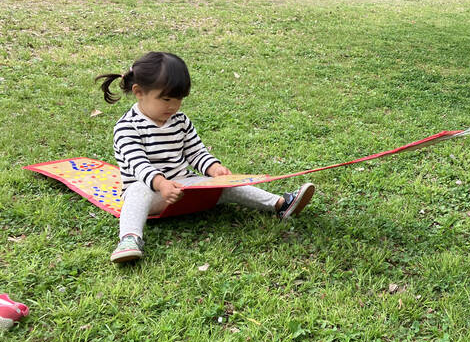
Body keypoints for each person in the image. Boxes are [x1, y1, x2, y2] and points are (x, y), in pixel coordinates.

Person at [96, 52, 316, 264]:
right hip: (153, 194)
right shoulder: (127, 127)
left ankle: (280, 204)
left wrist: (213, 169)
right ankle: (129, 239)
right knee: (137, 192)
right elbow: (138, 165)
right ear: (139, 92)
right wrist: (161, 183)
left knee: (225, 184)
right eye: (166, 99)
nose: (173, 106)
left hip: (186, 188)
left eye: (179, 99)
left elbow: (195, 151)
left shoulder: (179, 120)